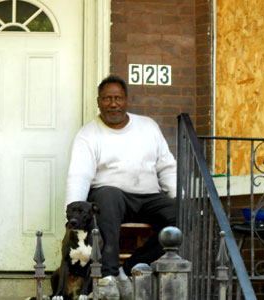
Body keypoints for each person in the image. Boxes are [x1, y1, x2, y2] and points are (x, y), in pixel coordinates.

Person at [65, 75, 177, 300]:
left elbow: (167, 166)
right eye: (107, 98)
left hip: (148, 196)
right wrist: (72, 218)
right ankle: (108, 277)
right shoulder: (88, 134)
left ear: (126, 100)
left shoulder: (147, 126)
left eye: (118, 98)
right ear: (98, 102)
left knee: (185, 214)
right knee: (107, 194)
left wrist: (176, 198)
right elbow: (79, 175)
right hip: (110, 198)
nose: (113, 103)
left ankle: (132, 268)